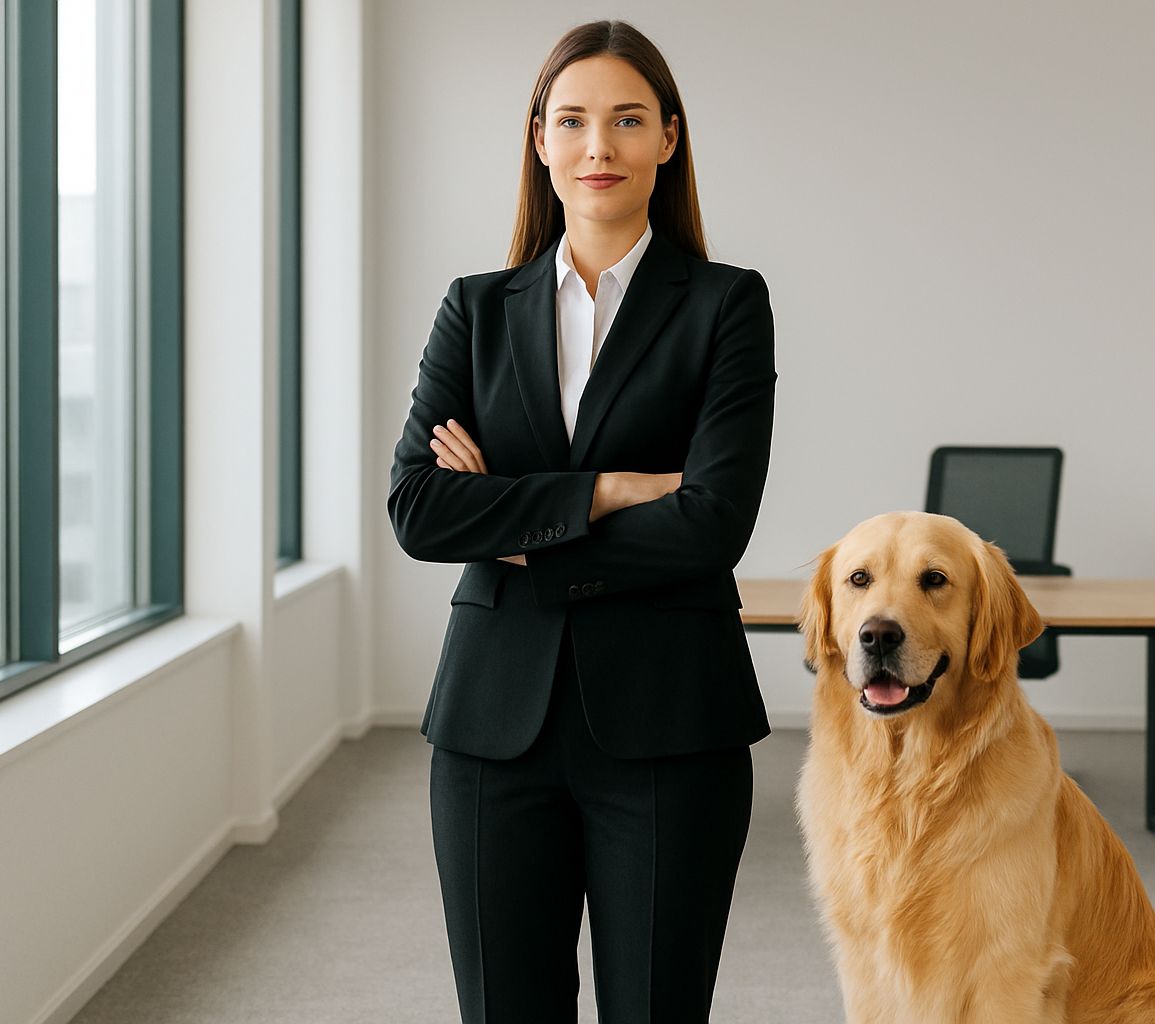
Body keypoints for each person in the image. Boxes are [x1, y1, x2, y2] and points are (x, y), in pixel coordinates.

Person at [387, 20, 775, 1024]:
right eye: (573, 121)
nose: (598, 146)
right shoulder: (474, 311)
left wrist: (508, 521)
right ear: (540, 140)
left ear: (668, 139)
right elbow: (420, 507)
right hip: (489, 727)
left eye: (626, 120)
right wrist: (606, 491)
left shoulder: (727, 307)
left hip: (670, 723)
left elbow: (711, 523)